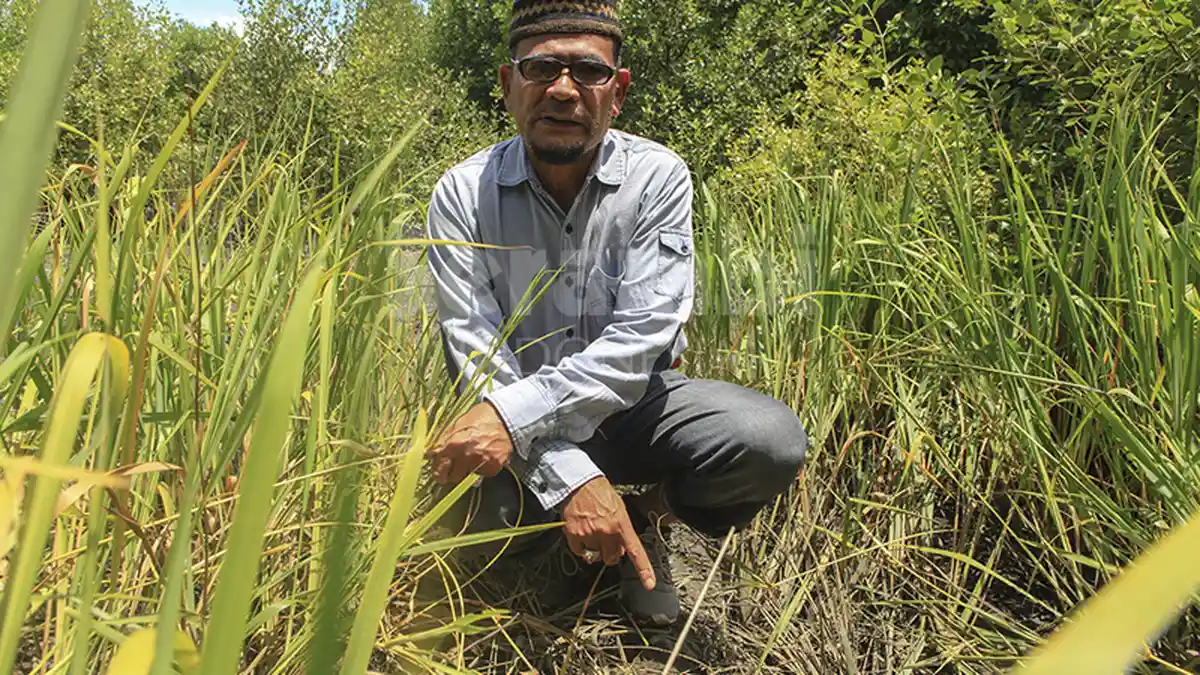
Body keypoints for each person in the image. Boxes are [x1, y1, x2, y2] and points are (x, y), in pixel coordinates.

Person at [424, 0, 808, 627]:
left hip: (632, 408)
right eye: (540, 68)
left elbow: (640, 343)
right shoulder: (462, 193)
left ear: (618, 90)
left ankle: (646, 520)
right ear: (507, 83)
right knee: (476, 525)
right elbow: (477, 354)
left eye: (588, 72)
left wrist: (515, 421)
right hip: (514, 414)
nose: (564, 91)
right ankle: (566, 540)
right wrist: (572, 475)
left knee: (769, 441)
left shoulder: (658, 177)